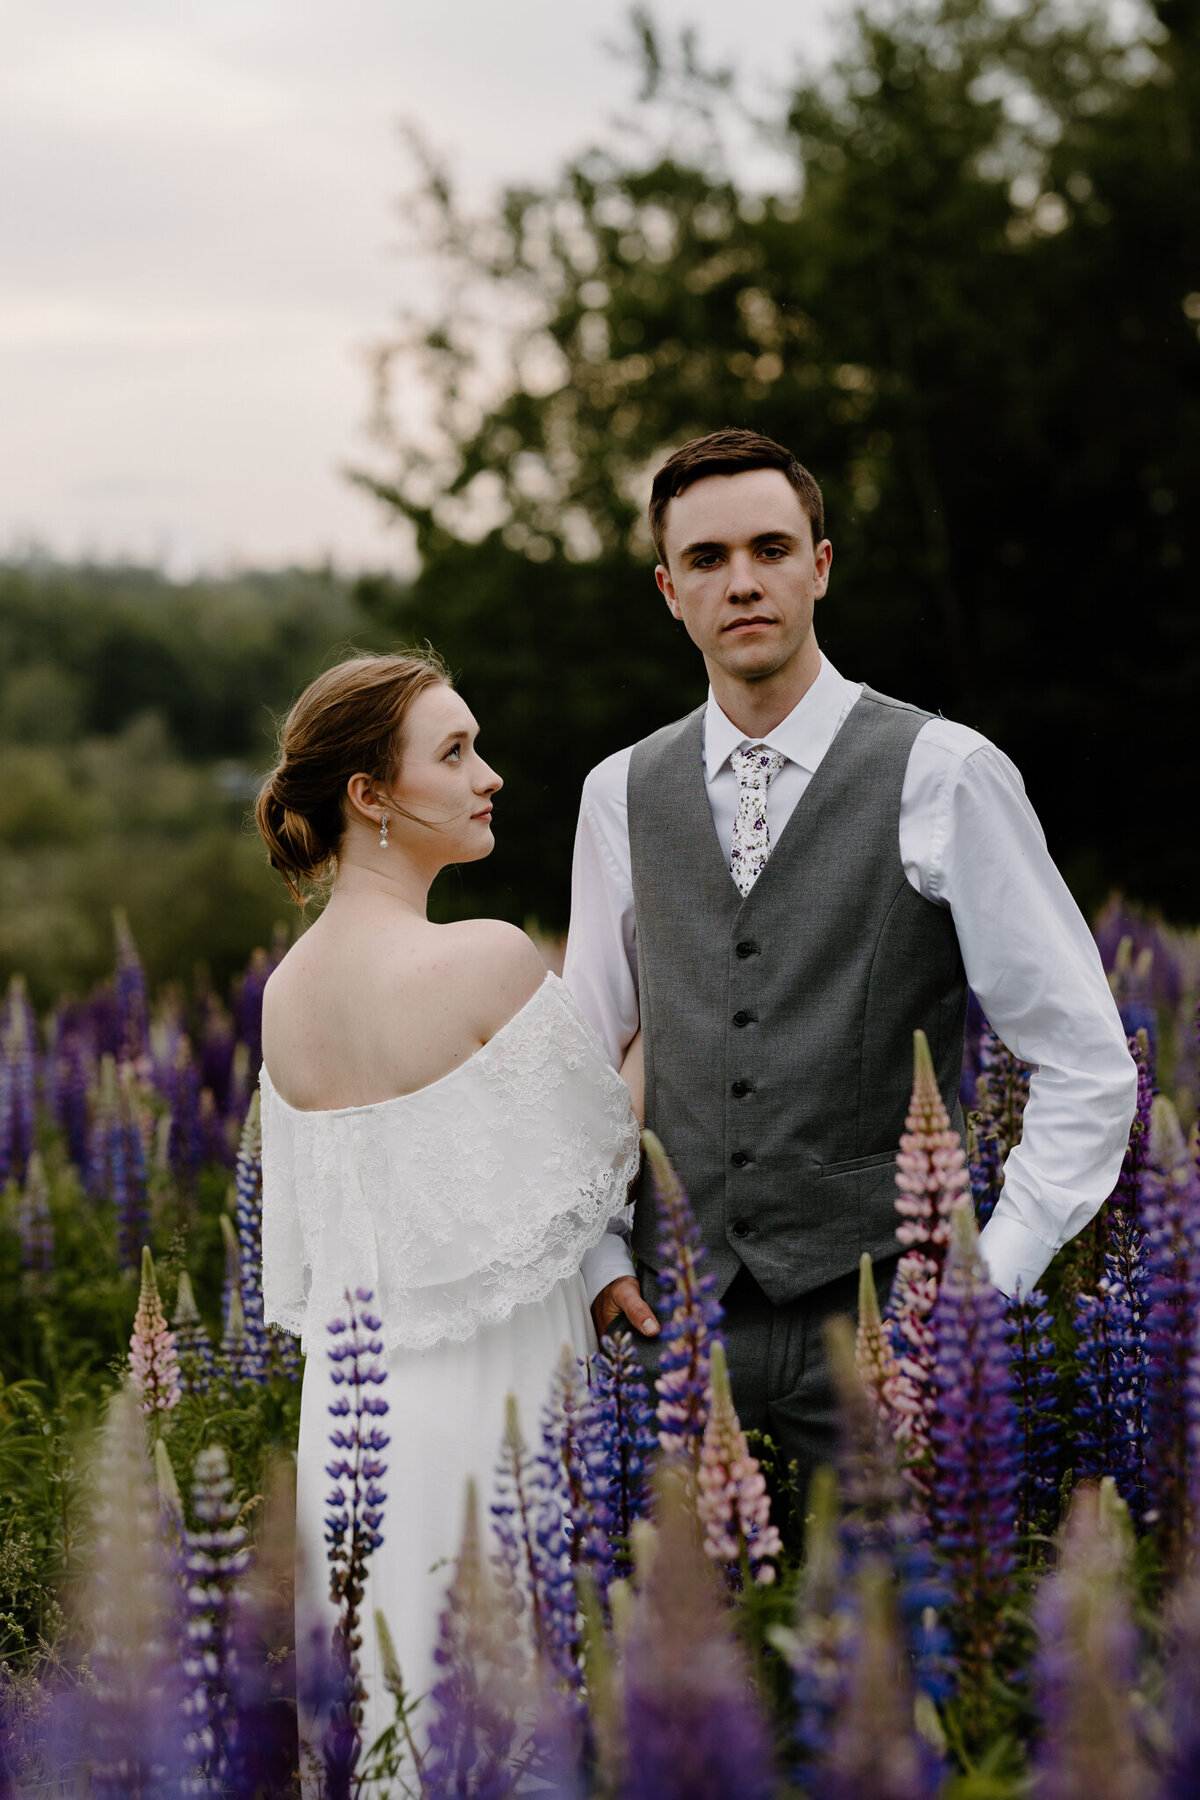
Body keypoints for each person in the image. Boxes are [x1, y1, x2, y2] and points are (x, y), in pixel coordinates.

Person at [565, 427, 1137, 1495]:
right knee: (671, 1648)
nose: (743, 582)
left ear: (820, 568)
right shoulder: (619, 793)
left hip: (891, 1330)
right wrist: (598, 1259)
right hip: (675, 1333)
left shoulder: (945, 771)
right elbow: (582, 1062)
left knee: (898, 1643)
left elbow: (1087, 1063)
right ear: (668, 590)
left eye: (772, 549)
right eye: (707, 559)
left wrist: (982, 1287)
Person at [253, 651, 641, 1766]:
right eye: (456, 753)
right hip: (497, 1400)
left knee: (395, 1716)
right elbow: (607, 1153)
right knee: (513, 1697)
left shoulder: (284, 996)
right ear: (370, 796)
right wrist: (670, 999)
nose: (492, 777)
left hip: (358, 1418)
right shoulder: (485, 959)